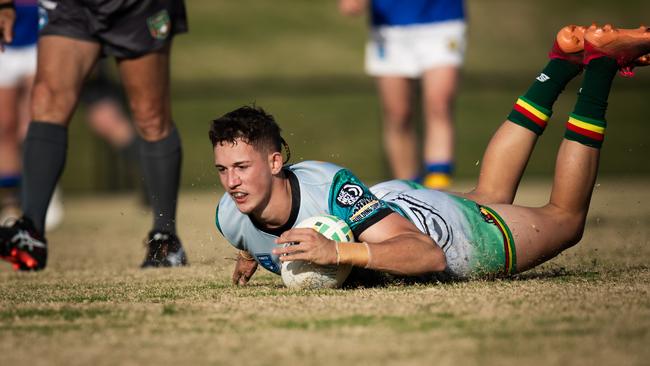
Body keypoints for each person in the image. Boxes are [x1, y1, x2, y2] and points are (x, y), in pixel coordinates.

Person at [211, 24, 650, 285]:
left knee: (566, 219)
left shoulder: (330, 187)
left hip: (438, 235)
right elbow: (256, 225)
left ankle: (602, 67)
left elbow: (428, 256)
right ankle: (561, 62)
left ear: (274, 163)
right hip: (397, 202)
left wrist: (337, 253)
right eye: (223, 171)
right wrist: (253, 252)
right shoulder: (230, 213)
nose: (232, 182)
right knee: (490, 193)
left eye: (242, 168)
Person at [0, 0, 188, 271]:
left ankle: (165, 237)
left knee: (150, 115)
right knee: (47, 102)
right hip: (71, 6)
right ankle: (31, 233)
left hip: (136, 6)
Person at [339, 0, 466, 188]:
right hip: (390, 29)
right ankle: (408, 191)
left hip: (443, 21)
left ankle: (439, 188)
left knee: (439, 104)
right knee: (398, 114)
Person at [0, 0, 37, 224]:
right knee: (5, 126)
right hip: (5, 40)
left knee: (35, 123)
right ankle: (11, 203)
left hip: (38, 34)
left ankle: (37, 194)